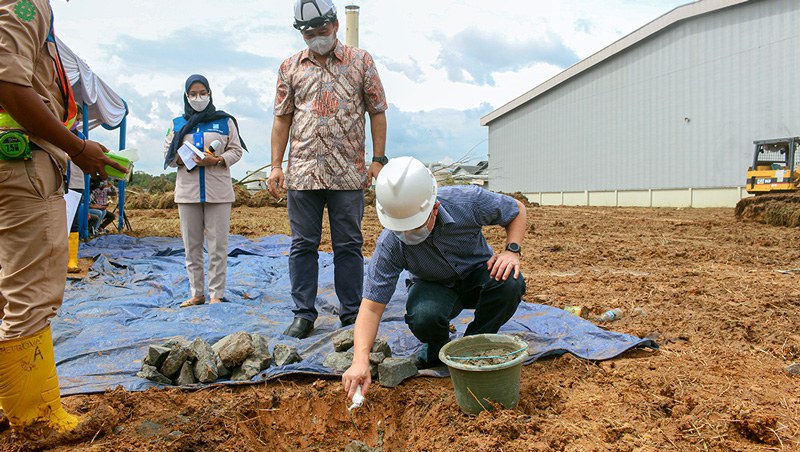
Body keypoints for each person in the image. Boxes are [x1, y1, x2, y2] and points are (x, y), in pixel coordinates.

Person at [0, 0, 127, 441]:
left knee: (5, 287)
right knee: (31, 291)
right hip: (19, 162)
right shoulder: (24, 4)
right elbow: (11, 87)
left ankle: (10, 397)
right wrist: (75, 147)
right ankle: (33, 419)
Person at [341, 157, 527, 399]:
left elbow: (517, 210)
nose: (407, 234)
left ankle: (475, 343)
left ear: (434, 209)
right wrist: (359, 360)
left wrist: (512, 250)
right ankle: (438, 348)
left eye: (415, 226)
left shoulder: (467, 201)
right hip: (432, 285)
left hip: (477, 273)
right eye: (401, 228)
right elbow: (371, 308)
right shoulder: (390, 244)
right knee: (423, 316)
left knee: (510, 282)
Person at [268, 0, 388, 339]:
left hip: (348, 174)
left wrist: (379, 159)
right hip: (303, 173)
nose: (317, 38)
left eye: (322, 31)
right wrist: (276, 166)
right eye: (309, 33)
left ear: (335, 24)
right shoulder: (289, 67)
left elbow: (377, 110)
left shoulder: (361, 61)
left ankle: (351, 314)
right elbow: (281, 119)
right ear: (301, 33)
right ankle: (303, 313)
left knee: (348, 244)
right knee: (302, 244)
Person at [164, 74, 244, 308]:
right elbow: (168, 157)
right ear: (186, 96)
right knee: (192, 246)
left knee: (218, 246)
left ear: (209, 94)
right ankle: (196, 293)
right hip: (188, 192)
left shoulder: (224, 121)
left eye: (202, 93)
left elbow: (236, 151)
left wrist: (217, 160)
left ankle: (215, 294)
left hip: (218, 192)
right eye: (193, 94)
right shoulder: (177, 123)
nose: (198, 98)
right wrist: (183, 157)